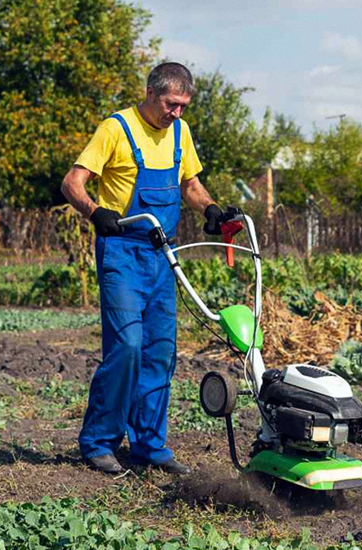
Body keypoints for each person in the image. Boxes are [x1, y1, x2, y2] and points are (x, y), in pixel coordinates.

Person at [61, 62, 236, 475]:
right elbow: (73, 182)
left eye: (183, 106)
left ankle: (149, 446)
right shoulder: (116, 128)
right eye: (171, 104)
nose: (177, 113)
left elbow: (190, 186)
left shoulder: (180, 131)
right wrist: (95, 212)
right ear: (151, 92)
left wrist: (210, 209)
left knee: (160, 351)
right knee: (127, 346)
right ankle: (99, 441)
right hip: (121, 249)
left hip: (162, 255)